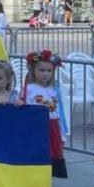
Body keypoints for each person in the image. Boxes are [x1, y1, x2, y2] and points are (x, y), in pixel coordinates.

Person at [22, 50, 67, 179]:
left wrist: (62, 133)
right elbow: (24, 109)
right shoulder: (29, 89)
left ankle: (45, 181)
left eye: (49, 71)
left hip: (53, 128)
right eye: (41, 70)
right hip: (37, 128)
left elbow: (59, 112)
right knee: (38, 157)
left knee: (51, 158)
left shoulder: (53, 90)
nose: (45, 74)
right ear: (33, 70)